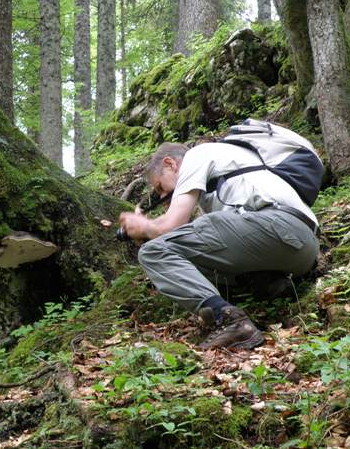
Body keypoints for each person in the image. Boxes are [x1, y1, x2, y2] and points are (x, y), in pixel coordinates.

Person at [119, 141, 320, 349]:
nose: (163, 196)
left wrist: (146, 226)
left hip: (279, 227)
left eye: (160, 187)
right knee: (191, 253)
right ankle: (269, 285)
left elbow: (171, 225)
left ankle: (229, 321)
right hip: (303, 248)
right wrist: (150, 230)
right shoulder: (227, 172)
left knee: (152, 252)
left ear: (170, 164)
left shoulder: (196, 155)